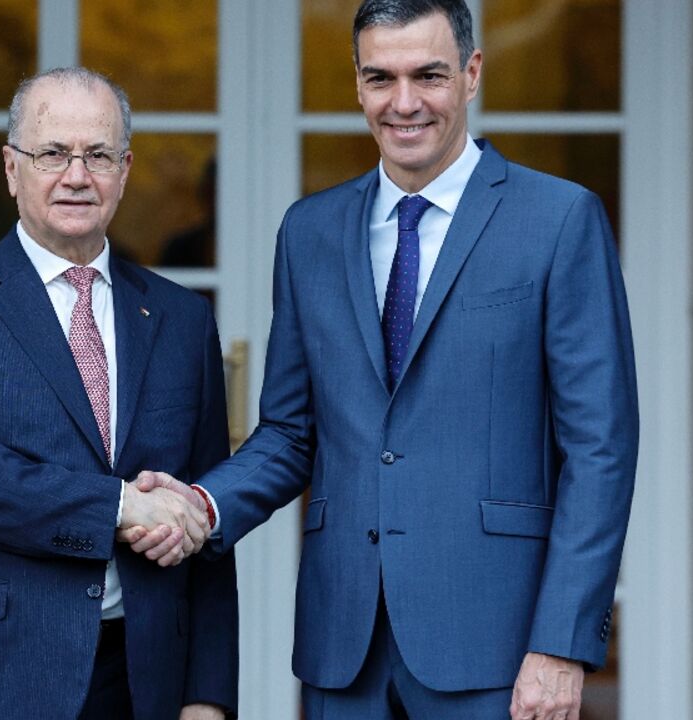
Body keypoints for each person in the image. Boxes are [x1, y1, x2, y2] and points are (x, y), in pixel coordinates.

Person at [131, 1, 639, 718]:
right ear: (358, 83)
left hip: (498, 647)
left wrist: (561, 643)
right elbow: (289, 431)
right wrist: (202, 506)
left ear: (471, 74)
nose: (404, 103)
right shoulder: (309, 231)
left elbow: (601, 449)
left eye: (428, 75)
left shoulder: (558, 221)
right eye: (381, 78)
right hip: (346, 649)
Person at [0, 67, 239, 720]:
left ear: (124, 170)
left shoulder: (182, 320)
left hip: (140, 677)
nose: (76, 174)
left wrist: (207, 696)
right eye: (52, 153)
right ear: (12, 169)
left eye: (97, 155)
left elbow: (202, 523)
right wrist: (118, 505)